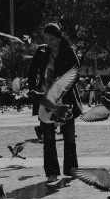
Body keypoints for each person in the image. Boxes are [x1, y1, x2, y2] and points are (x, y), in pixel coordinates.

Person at [27, 22, 82, 180]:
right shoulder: (41, 50)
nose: (48, 42)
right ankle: (51, 172)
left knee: (69, 135)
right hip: (45, 98)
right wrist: (34, 90)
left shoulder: (68, 50)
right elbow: (32, 71)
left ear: (58, 38)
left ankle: (71, 170)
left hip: (66, 98)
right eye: (46, 39)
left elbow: (76, 72)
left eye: (51, 39)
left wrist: (63, 88)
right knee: (49, 136)